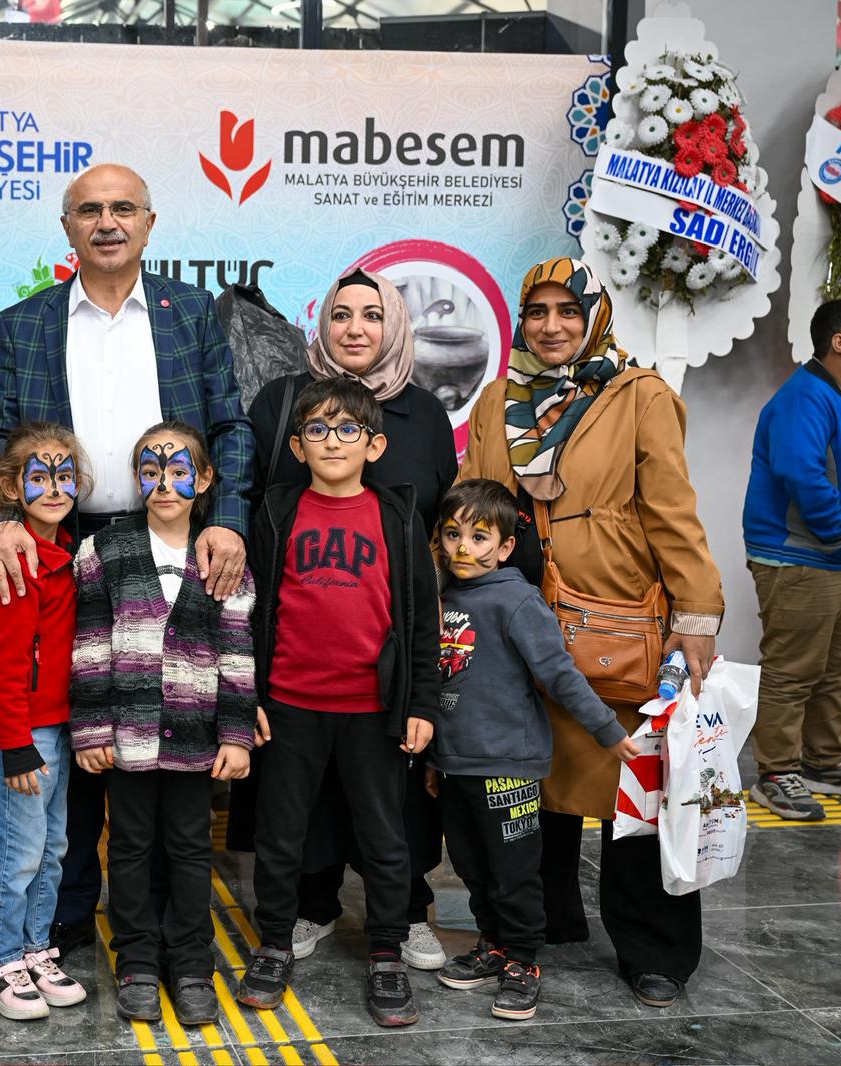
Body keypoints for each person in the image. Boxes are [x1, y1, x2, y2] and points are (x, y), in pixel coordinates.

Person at [0, 162, 255, 953]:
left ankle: (168, 933)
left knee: (165, 726)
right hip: (61, 546)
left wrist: (228, 521)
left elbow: (230, 427)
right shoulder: (22, 322)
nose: (107, 221)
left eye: (123, 208)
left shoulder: (192, 312)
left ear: (149, 221)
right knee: (78, 725)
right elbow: (3, 440)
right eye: (89, 210)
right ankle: (65, 925)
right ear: (66, 227)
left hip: (169, 533)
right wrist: (3, 518)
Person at [457, 256, 723, 1009]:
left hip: (616, 624)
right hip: (516, 624)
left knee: (631, 790)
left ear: (594, 317)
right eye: (536, 312)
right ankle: (538, 926)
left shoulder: (639, 396)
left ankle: (656, 950)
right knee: (526, 787)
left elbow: (672, 510)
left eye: (566, 312)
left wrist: (697, 614)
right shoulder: (495, 401)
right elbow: (472, 505)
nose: (550, 326)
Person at [232, 267, 456, 969]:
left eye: (371, 315)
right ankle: (302, 912)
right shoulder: (280, 418)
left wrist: (420, 693)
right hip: (295, 686)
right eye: (340, 315)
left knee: (389, 822)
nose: (355, 328)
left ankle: (398, 926)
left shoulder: (419, 433)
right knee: (290, 821)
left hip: (375, 683)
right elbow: (255, 595)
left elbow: (425, 588)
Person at [429, 479, 639, 1022]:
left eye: (479, 537)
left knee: (513, 870)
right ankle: (492, 943)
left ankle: (523, 957)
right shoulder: (441, 598)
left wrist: (608, 732)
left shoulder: (517, 599)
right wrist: (432, 761)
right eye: (452, 534)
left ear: (503, 547)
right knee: (471, 866)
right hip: (456, 764)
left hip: (508, 765)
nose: (462, 548)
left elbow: (560, 675)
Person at [70, 421, 257, 1027]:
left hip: (195, 740)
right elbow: (91, 646)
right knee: (126, 849)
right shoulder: (105, 551)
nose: (165, 484)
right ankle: (138, 963)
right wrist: (93, 731)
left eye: (179, 471)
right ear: (138, 479)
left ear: (203, 479)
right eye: (152, 470)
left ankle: (192, 963)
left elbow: (236, 650)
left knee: (190, 848)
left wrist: (235, 733)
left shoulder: (223, 557)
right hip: (125, 739)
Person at [743, 299, 841, 819]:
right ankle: (776, 772)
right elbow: (802, 476)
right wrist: (840, 534)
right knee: (793, 671)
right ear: (839, 342)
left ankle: (824, 762)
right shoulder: (801, 399)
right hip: (802, 560)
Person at [0, 422, 90, 1021]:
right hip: (16, 734)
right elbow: (3, 660)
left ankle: (37, 948)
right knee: (18, 853)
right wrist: (15, 746)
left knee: (52, 848)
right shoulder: (13, 560)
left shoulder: (61, 554)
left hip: (53, 727)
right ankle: (3, 960)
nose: (55, 487)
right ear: (15, 487)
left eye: (65, 475)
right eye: (41, 477)